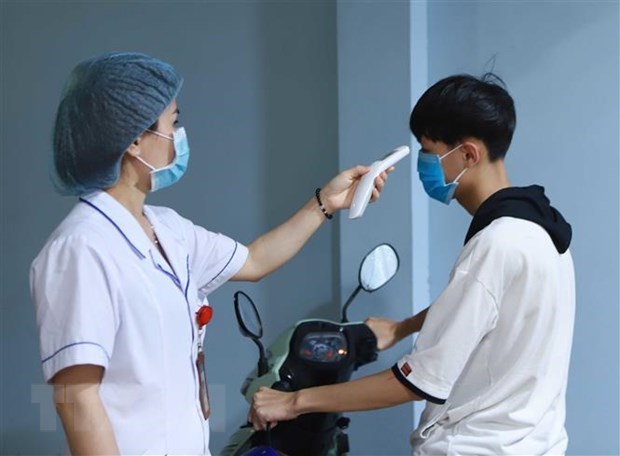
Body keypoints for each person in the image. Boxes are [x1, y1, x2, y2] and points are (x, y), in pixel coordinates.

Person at [29, 52, 391, 455]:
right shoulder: (80, 248)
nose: (179, 136)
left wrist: (326, 202)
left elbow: (254, 260)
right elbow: (75, 397)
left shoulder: (167, 229)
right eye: (174, 123)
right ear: (133, 139)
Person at [249, 73, 575, 455]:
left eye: (428, 151)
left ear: (468, 154)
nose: (424, 164)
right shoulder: (541, 229)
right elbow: (487, 305)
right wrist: (403, 327)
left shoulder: (495, 243)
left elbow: (415, 382)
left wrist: (292, 402)